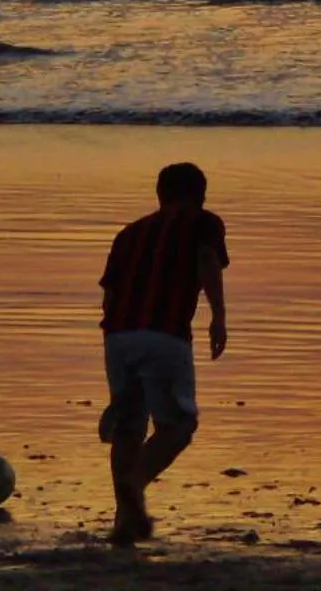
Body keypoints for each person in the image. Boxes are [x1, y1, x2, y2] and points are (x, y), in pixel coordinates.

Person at [98, 161, 229, 545]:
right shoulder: (204, 223)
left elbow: (110, 296)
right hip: (164, 334)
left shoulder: (129, 234)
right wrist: (219, 317)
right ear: (201, 196)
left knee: (129, 426)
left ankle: (126, 522)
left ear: (160, 194)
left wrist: (120, 343)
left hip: (118, 336)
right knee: (178, 425)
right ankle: (135, 482)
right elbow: (207, 260)